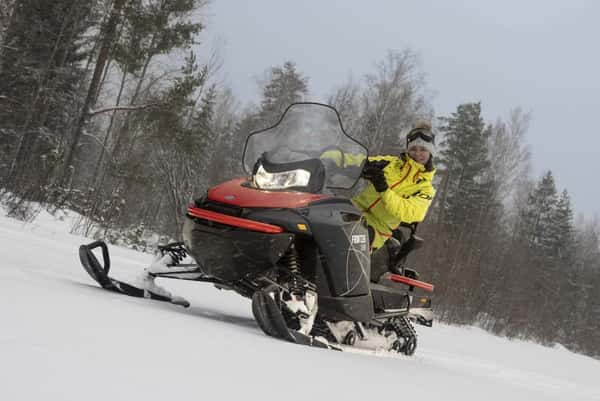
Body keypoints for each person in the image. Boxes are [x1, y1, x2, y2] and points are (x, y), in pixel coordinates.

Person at [352, 121, 437, 256]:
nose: (417, 153)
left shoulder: (425, 188)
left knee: (351, 245)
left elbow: (410, 212)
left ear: (431, 152)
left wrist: (383, 189)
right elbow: (358, 161)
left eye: (423, 150)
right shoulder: (390, 163)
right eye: (414, 149)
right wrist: (330, 157)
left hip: (376, 228)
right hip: (352, 210)